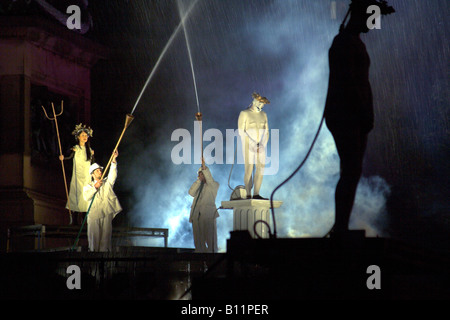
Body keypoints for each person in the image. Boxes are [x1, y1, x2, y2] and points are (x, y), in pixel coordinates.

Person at [324, 0, 394, 234]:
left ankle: (341, 225)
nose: (373, 25)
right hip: (346, 114)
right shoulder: (344, 43)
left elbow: (361, 83)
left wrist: (366, 112)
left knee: (352, 170)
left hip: (353, 115)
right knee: (351, 169)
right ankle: (340, 226)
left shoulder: (351, 43)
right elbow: (351, 82)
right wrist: (363, 110)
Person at [83, 150, 122, 252]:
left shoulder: (106, 183)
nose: (100, 172)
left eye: (100, 170)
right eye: (97, 171)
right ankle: (93, 263)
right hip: (94, 215)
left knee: (105, 241)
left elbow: (112, 176)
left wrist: (113, 160)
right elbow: (86, 197)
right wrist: (95, 187)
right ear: (92, 174)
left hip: (106, 213)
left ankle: (105, 263)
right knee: (94, 241)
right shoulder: (88, 186)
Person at [60, 123, 94, 225]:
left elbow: (92, 164)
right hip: (77, 177)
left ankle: (84, 220)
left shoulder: (90, 151)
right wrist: (63, 158)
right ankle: (74, 220)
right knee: (76, 195)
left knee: (85, 197)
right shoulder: (75, 149)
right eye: (83, 135)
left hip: (86, 178)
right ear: (78, 137)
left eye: (86, 135)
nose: (85, 137)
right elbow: (68, 156)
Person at [238, 92, 270, 200]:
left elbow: (266, 132)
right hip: (248, 146)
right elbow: (241, 131)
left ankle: (256, 193)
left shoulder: (264, 115)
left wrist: (262, 145)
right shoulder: (244, 113)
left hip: (260, 146)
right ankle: (248, 193)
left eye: (262, 105)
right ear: (254, 101)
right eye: (259, 104)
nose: (261, 106)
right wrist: (252, 144)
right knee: (249, 169)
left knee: (260, 169)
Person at [188, 159, 220, 253]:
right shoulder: (198, 186)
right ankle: (200, 258)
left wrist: (204, 168)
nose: (200, 176)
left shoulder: (213, 185)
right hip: (196, 217)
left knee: (211, 241)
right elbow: (191, 192)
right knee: (198, 242)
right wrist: (199, 181)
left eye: (201, 174)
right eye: (199, 174)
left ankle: (213, 260)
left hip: (208, 216)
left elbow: (209, 179)